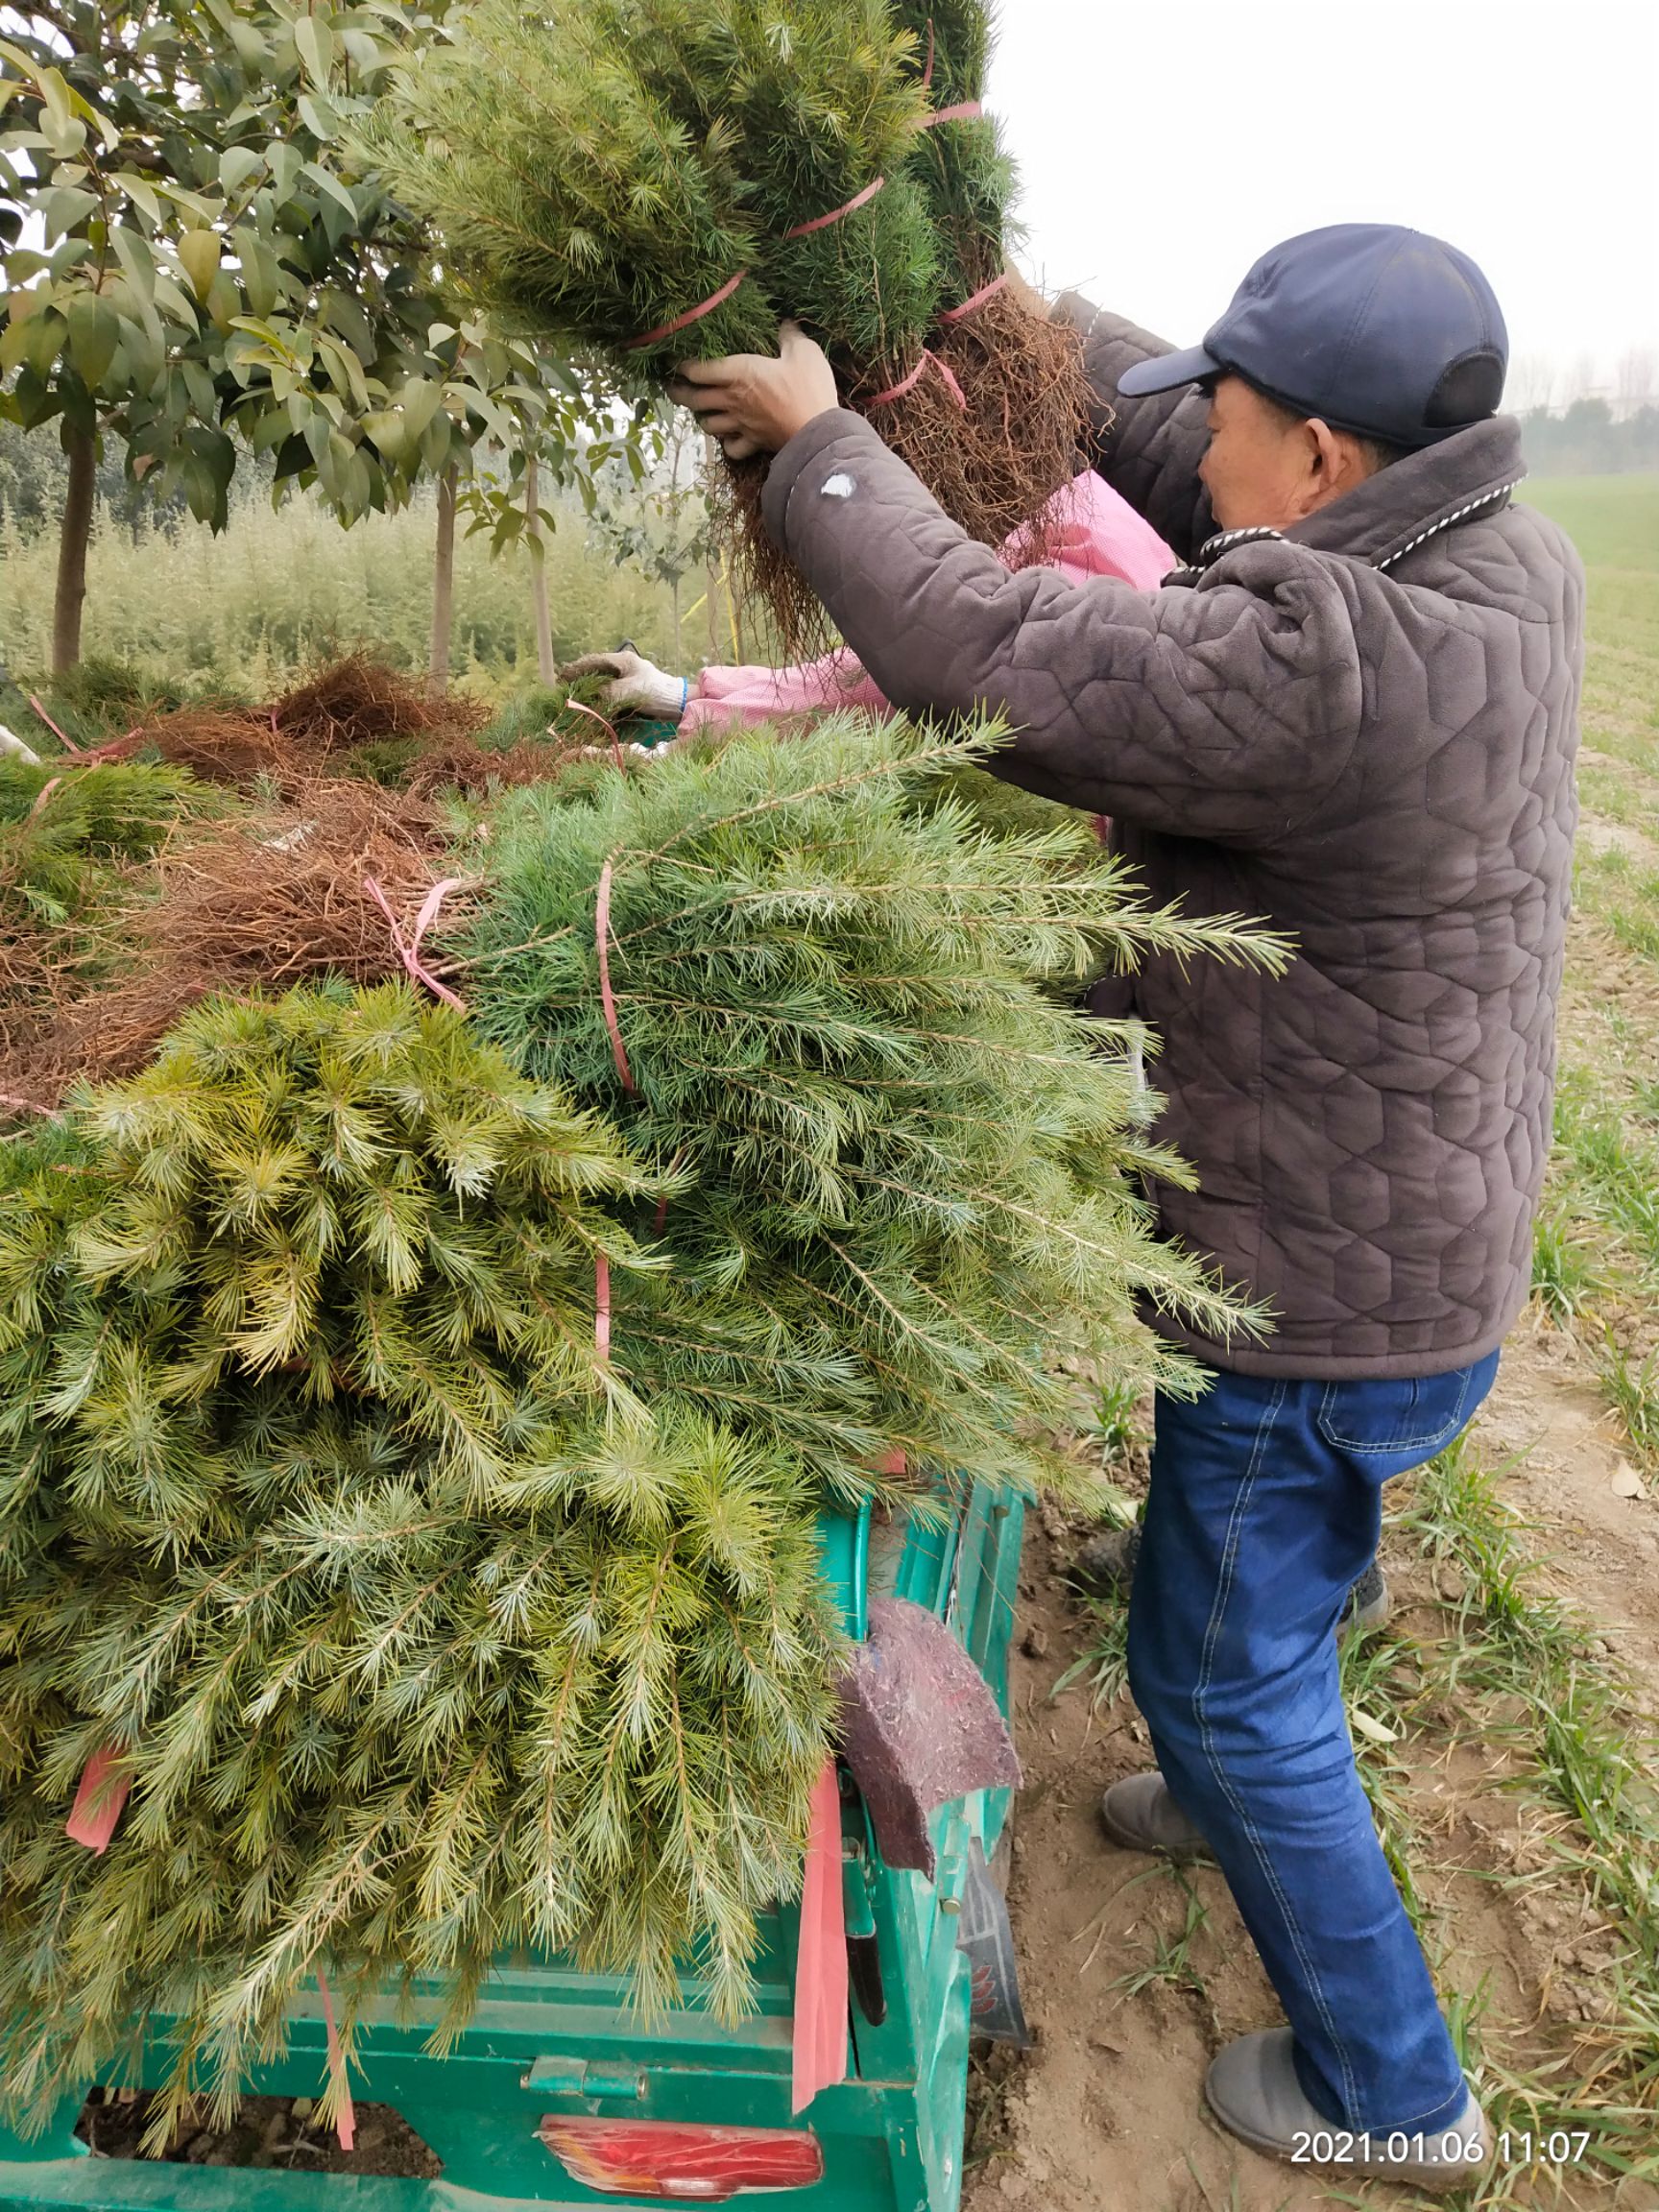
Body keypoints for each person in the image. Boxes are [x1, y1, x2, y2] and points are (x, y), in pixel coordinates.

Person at [634, 223, 1584, 2190]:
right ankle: (1238, 1772)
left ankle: (1395, 2090)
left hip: (1315, 1286)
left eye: (1230, 421)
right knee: (1269, 1577)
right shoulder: (1496, 551)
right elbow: (1143, 429)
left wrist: (824, 442)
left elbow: (992, 651)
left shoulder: (1321, 658)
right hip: (1413, 1222)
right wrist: (976, 311)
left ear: (1320, 458)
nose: (1184, 448)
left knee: (1223, 1669)